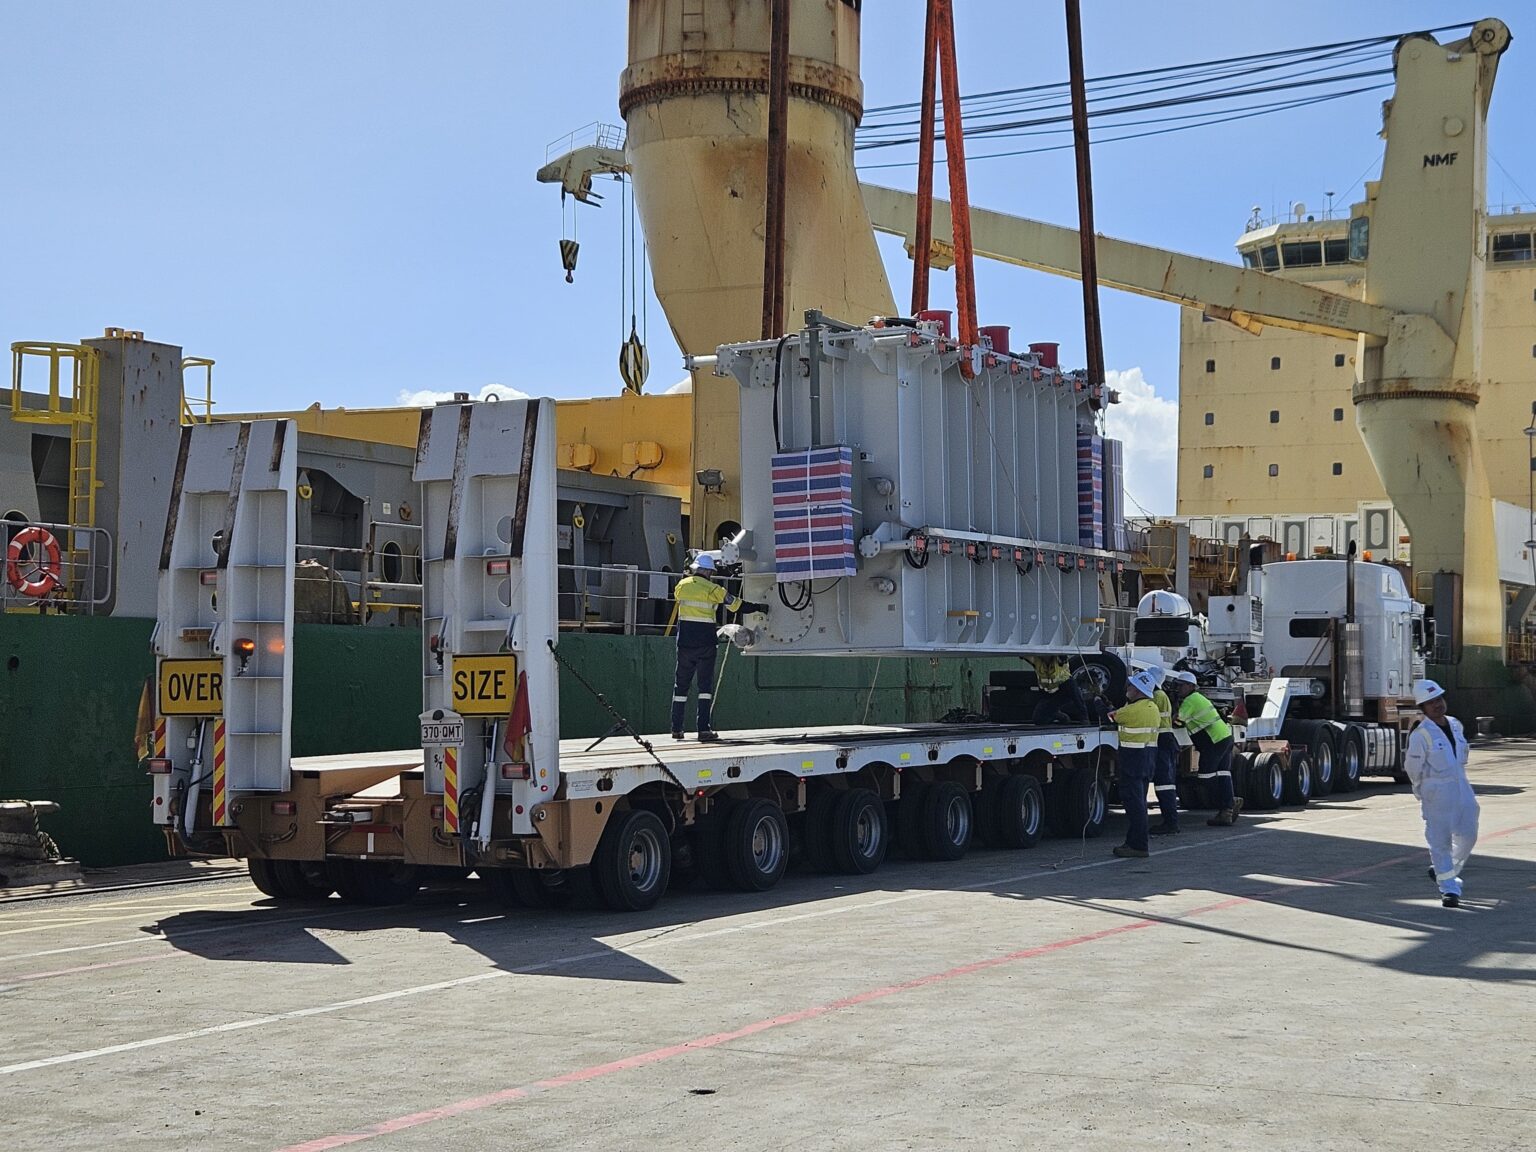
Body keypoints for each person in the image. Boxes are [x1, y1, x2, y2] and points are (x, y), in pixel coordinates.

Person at [671, 554, 766, 742]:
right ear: (709, 571)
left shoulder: (681, 586)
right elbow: (737, 605)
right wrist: (759, 607)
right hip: (706, 643)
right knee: (704, 687)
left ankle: (676, 729)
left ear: (695, 568)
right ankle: (703, 730)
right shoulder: (714, 589)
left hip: (685, 643)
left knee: (680, 686)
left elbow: (678, 597)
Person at [1403, 679, 1479, 908]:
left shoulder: (1455, 725)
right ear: (1423, 708)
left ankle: (1444, 870)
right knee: (1440, 842)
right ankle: (1449, 890)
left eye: (1438, 699)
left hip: (1461, 787)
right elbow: (1412, 768)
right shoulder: (1421, 734)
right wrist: (1422, 790)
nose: (1437, 705)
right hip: (1437, 793)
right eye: (1431, 702)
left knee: (1469, 834)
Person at [1168, 671, 1240, 826]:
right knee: (1223, 774)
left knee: (1206, 777)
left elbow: (1177, 722)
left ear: (1190, 686)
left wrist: (1170, 714)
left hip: (1213, 741)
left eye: (1181, 686)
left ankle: (1228, 804)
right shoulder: (1198, 698)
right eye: (1177, 686)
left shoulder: (1190, 700)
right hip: (1224, 738)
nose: (1178, 689)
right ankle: (1227, 811)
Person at [1108, 668, 1162, 859]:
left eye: (1131, 686)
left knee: (1134, 805)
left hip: (1133, 760)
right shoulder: (1152, 708)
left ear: (1138, 690)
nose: (1128, 688)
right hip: (1147, 760)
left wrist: (1100, 703)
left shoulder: (1132, 710)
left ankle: (1138, 845)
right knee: (1139, 803)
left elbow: (1112, 716)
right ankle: (1132, 842)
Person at [1149, 668, 1181, 835]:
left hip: (1162, 740)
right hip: (1165, 740)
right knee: (1165, 783)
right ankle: (1170, 822)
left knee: (1164, 784)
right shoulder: (1161, 695)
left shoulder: (1157, 696)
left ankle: (1170, 823)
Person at [1030, 654, 1087, 724]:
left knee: (1074, 695)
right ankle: (1058, 715)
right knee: (1038, 719)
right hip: (1049, 693)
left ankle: (1063, 716)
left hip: (1063, 691)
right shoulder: (1039, 662)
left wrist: (1084, 718)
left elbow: (1078, 698)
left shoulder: (1064, 675)